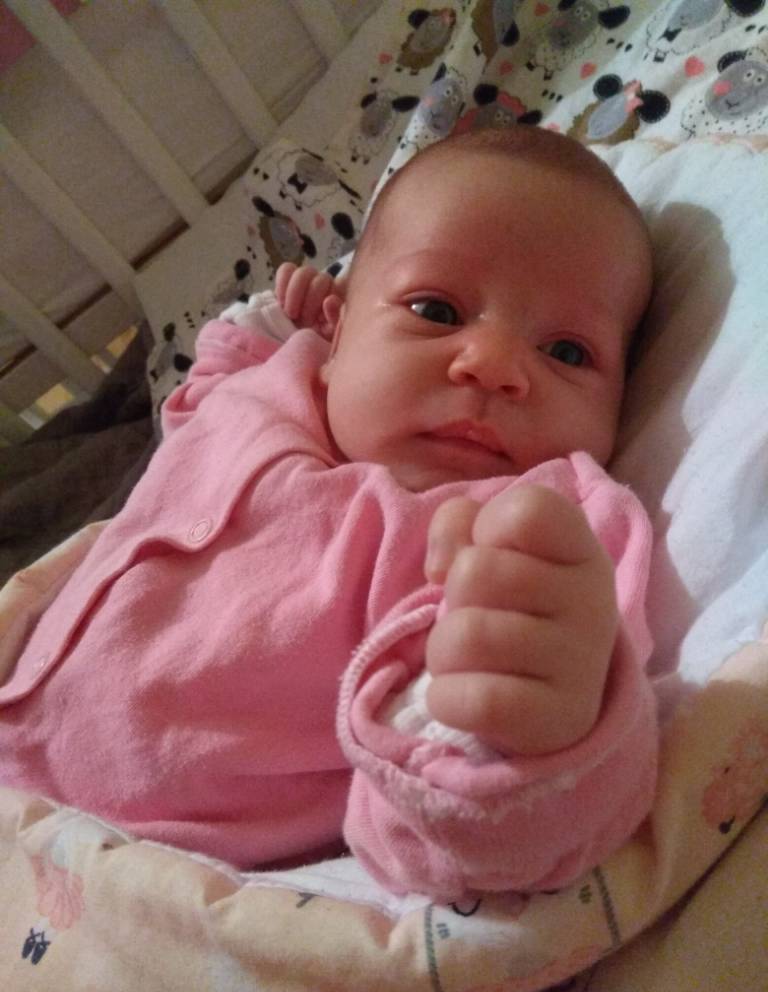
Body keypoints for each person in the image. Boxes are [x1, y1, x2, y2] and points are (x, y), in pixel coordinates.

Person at [0, 126, 656, 902]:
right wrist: (280, 329)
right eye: (436, 309)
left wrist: (548, 724)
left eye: (568, 353)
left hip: (130, 885)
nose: (493, 365)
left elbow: (472, 819)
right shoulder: (277, 384)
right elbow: (198, 402)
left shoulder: (525, 537)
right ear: (341, 331)